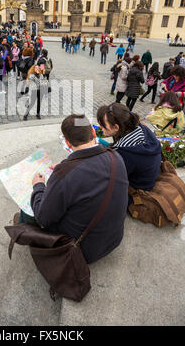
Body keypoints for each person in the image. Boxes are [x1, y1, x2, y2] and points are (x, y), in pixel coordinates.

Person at [18, 114, 128, 265]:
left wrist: (38, 186)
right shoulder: (116, 157)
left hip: (81, 250)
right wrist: (66, 168)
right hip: (113, 239)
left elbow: (43, 217)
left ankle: (22, 229)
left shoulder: (64, 174)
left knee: (29, 208)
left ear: (68, 143)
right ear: (94, 133)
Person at [97, 104, 161, 201]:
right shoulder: (141, 128)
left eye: (103, 126)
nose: (100, 128)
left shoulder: (125, 153)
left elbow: (111, 178)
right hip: (148, 177)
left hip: (137, 190)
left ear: (116, 127)